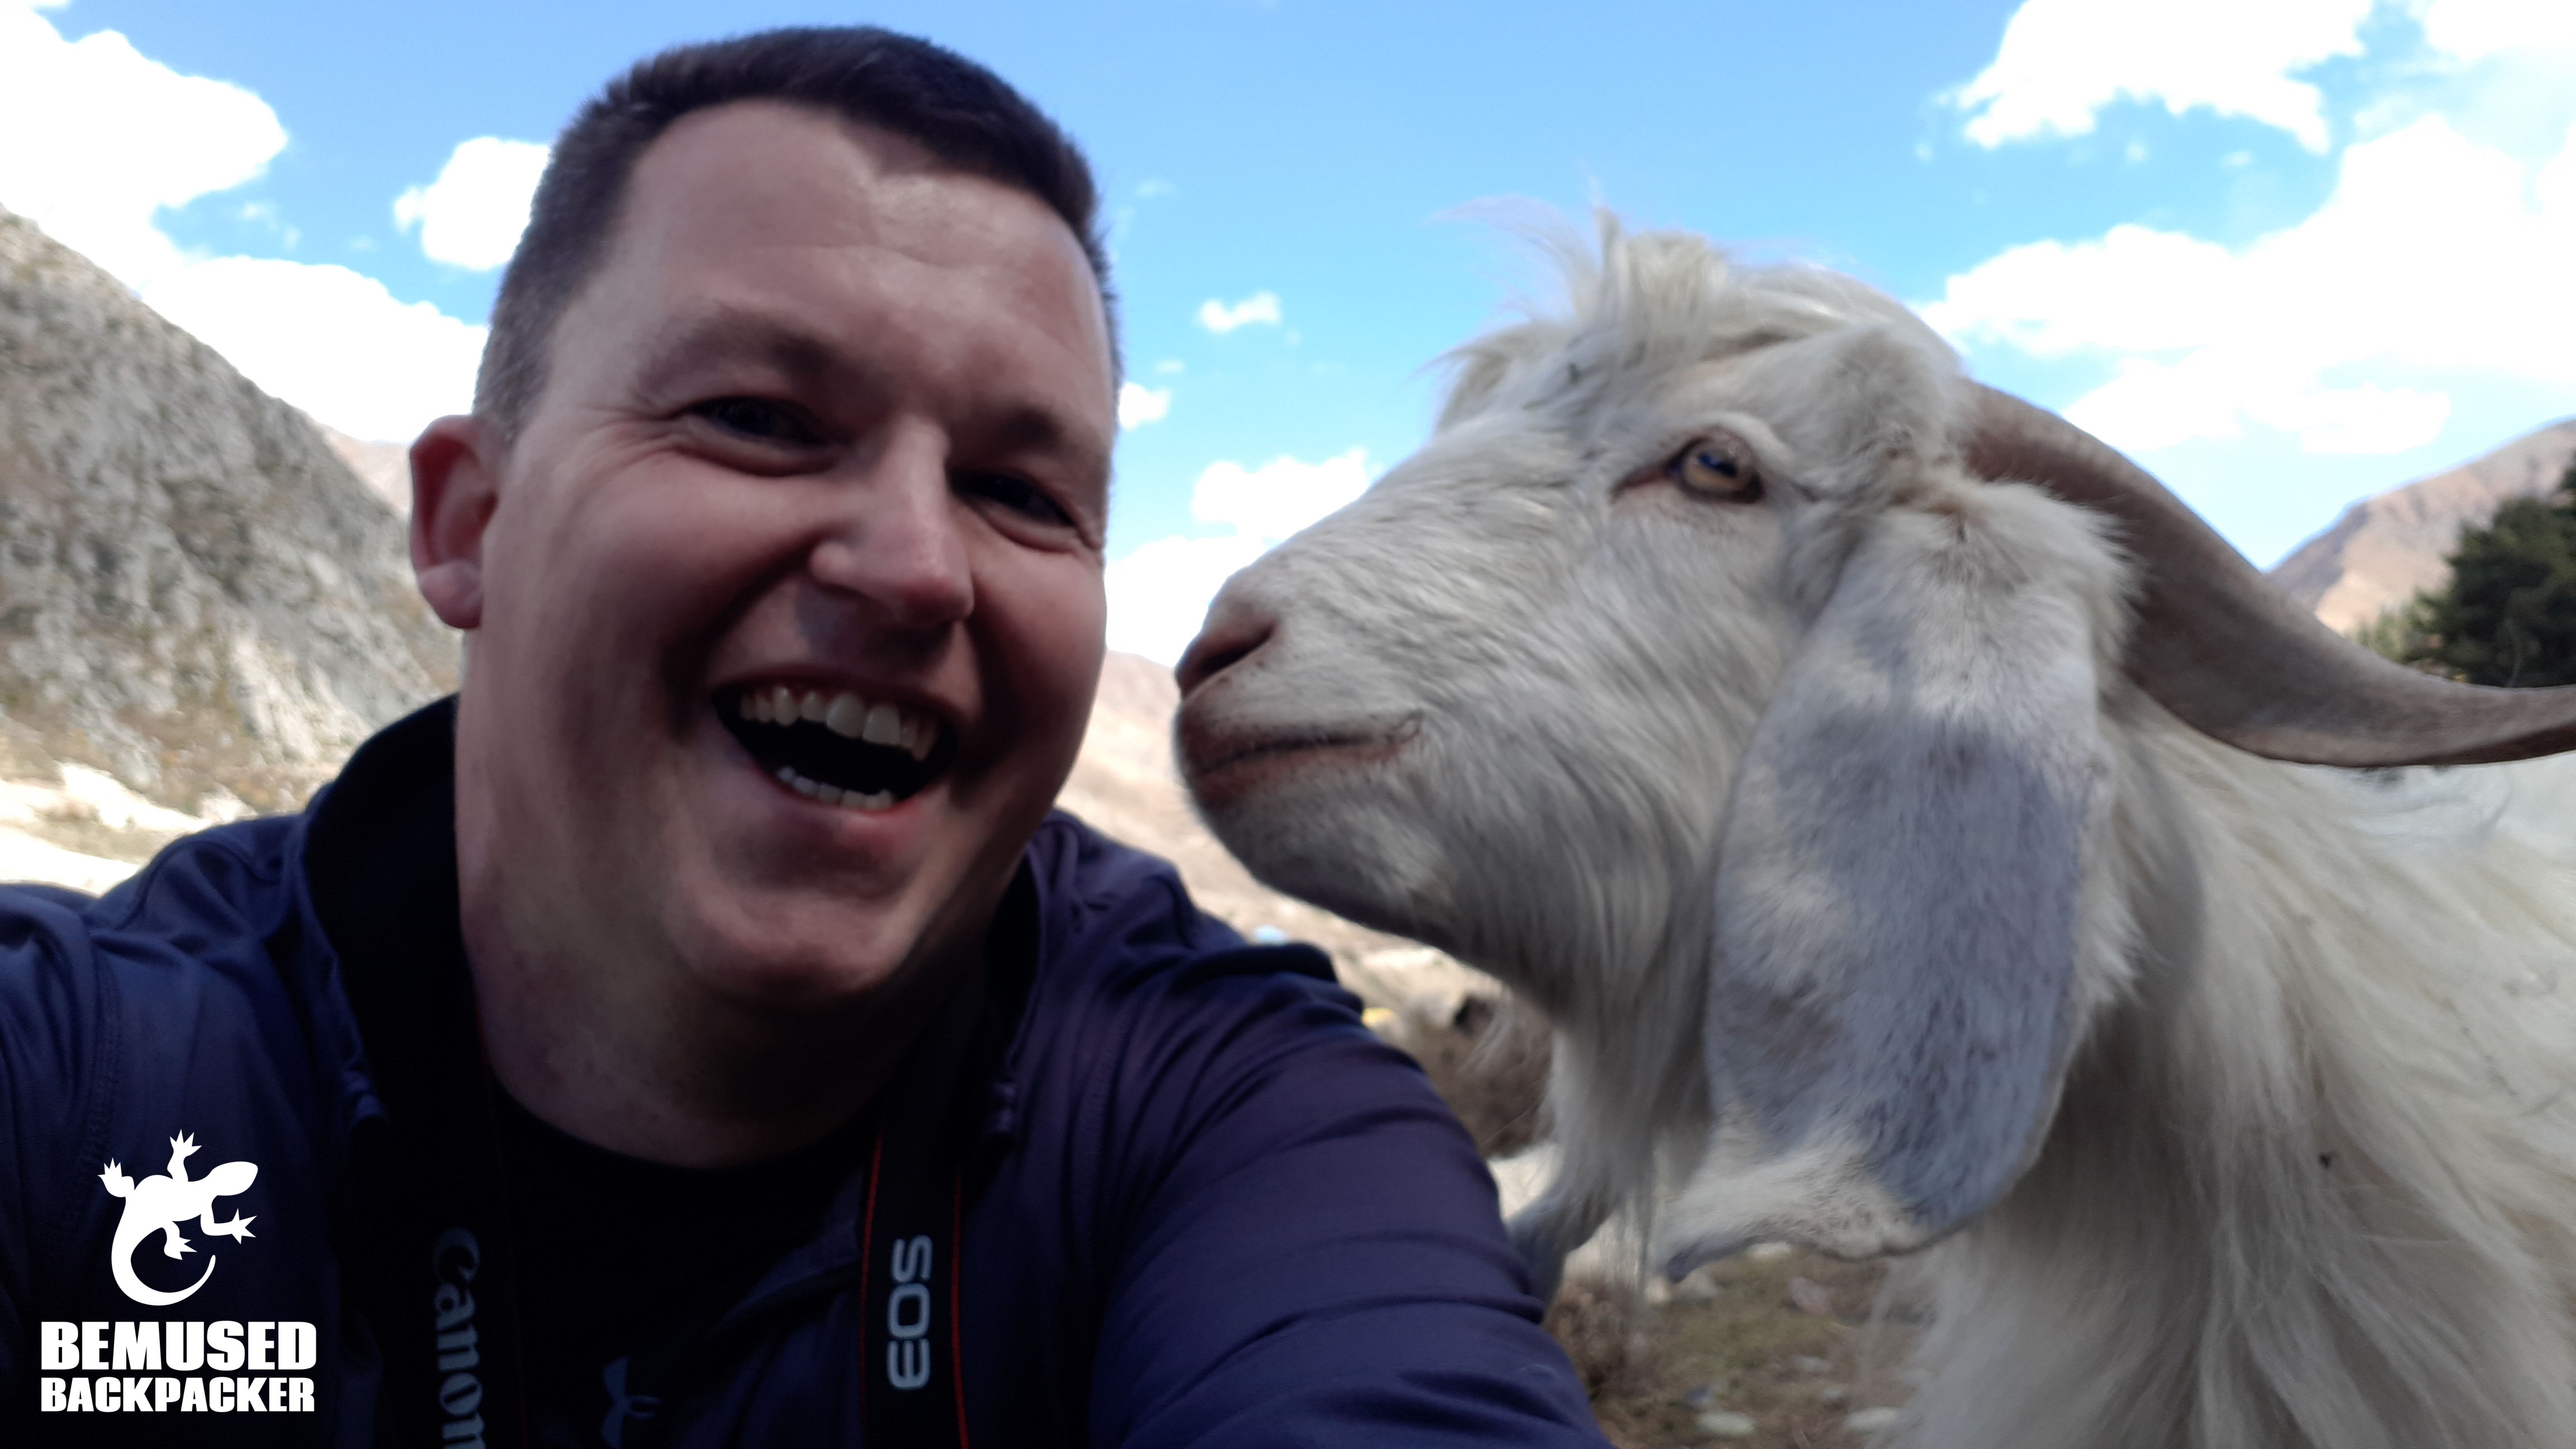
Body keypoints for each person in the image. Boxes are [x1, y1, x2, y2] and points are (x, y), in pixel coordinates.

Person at [0, 26, 1606, 1448]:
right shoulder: (90, 1084)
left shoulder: (1230, 1117)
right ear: (467, 523)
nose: (914, 565)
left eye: (1021, 494)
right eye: (760, 420)